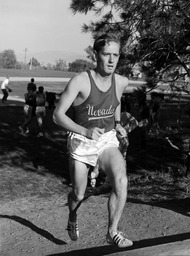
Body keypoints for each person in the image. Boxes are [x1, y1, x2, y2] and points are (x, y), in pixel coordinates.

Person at [53, 33, 133, 248]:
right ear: (95, 54)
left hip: (106, 139)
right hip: (81, 141)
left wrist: (117, 123)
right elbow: (57, 115)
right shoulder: (81, 81)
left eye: (115, 55)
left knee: (121, 180)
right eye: (106, 54)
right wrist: (84, 131)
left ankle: (112, 231)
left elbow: (116, 100)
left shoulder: (121, 81)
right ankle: (72, 215)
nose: (111, 60)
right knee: (79, 194)